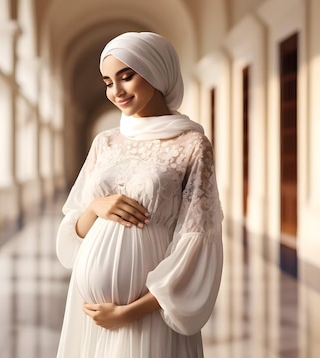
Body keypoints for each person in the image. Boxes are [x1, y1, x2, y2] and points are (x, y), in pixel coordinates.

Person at [55, 31, 223, 358]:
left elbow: (197, 240)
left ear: (157, 70)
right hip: (87, 309)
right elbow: (72, 230)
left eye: (126, 76)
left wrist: (130, 312)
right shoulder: (105, 142)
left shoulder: (192, 145)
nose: (116, 91)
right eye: (107, 81)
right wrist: (96, 206)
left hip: (148, 314)